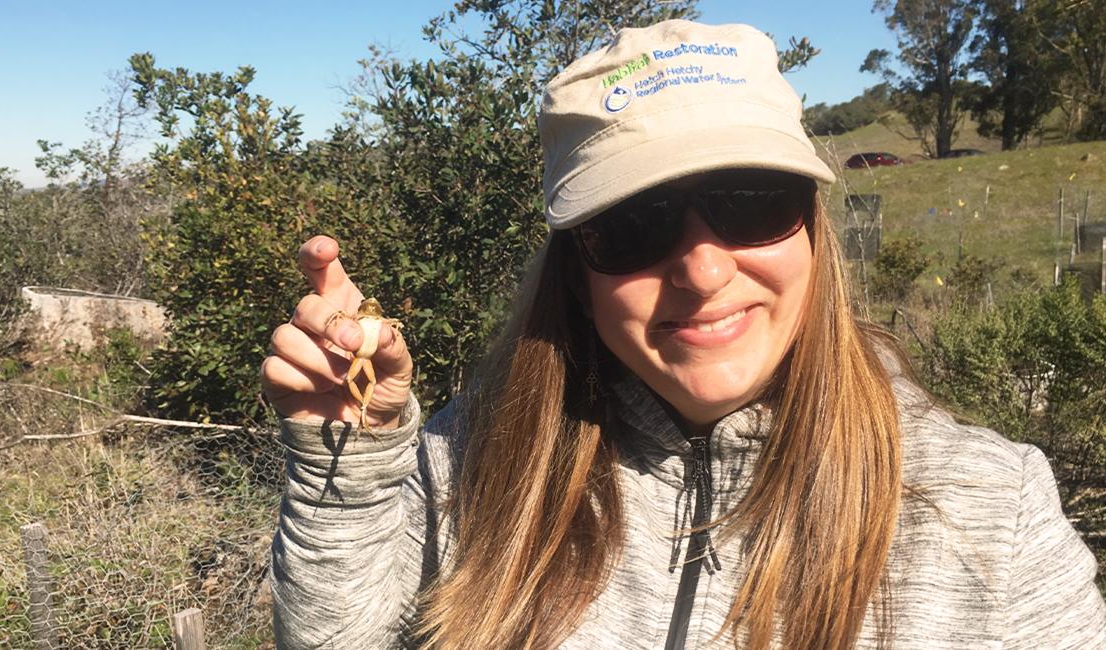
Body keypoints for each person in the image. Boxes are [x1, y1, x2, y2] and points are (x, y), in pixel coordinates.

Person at [260, 19, 1106, 649]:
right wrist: (353, 468)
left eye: (751, 202)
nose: (703, 272)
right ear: (577, 276)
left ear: (813, 232)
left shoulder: (989, 508)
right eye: (636, 224)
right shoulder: (470, 465)